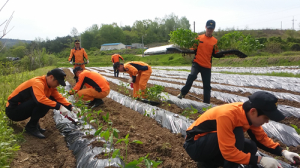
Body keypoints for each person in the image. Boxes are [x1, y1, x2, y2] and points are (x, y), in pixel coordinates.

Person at [183, 91, 300, 168]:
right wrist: (260, 160)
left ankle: (206, 164)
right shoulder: (228, 115)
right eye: (266, 117)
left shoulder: (248, 115)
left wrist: (283, 152)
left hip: (210, 142)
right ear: (253, 111)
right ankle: (206, 162)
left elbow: (261, 138)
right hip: (195, 145)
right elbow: (228, 152)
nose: (267, 121)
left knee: (250, 146)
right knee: (237, 134)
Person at [5, 69, 80, 139]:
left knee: (49, 100)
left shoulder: (50, 86)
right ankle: (31, 126)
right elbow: (40, 100)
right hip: (13, 111)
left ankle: (34, 124)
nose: (58, 85)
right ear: (51, 77)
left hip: (22, 108)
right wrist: (59, 107)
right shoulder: (38, 83)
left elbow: (59, 98)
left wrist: (71, 107)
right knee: (44, 101)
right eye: (58, 82)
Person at [177, 20, 219, 104]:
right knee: (192, 76)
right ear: (205, 27)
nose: (209, 30)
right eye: (208, 28)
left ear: (213, 29)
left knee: (207, 85)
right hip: (197, 63)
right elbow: (192, 49)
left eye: (211, 29)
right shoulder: (199, 38)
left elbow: (215, 54)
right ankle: (183, 93)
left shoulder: (215, 41)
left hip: (207, 66)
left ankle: (206, 103)